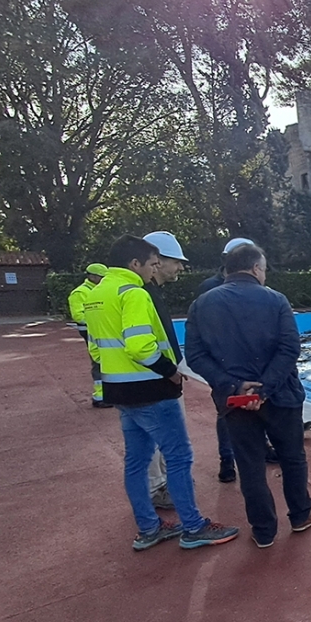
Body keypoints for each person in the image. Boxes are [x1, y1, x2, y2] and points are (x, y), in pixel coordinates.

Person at [83, 234, 240, 551]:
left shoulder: (96, 294)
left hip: (119, 390)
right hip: (152, 389)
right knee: (179, 457)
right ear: (135, 263)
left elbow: (97, 349)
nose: (154, 271)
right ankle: (194, 527)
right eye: (153, 264)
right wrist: (170, 372)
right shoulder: (134, 293)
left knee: (136, 462)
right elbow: (140, 346)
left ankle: (148, 527)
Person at [185, 242, 311, 548]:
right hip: (281, 396)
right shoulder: (275, 300)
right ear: (256, 268)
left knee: (249, 465)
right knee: (292, 457)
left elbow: (194, 356)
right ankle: (300, 515)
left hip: (234, 402)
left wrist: (234, 386)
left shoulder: (202, 304)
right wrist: (266, 387)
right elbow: (290, 348)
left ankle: (263, 531)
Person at [196, 237, 255, 481]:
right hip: (223, 366)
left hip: (249, 363)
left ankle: (258, 451)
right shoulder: (209, 289)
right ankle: (227, 460)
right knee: (226, 413)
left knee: (256, 406)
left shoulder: (254, 289)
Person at [141, 230, 191, 511]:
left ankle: (163, 482)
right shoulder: (141, 295)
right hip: (155, 378)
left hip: (161, 376)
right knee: (154, 436)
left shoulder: (151, 293)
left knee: (164, 435)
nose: (180, 268)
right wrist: (168, 370)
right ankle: (156, 487)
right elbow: (142, 344)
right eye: (176, 261)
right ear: (158, 260)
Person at [68, 263, 112, 408]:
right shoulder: (80, 292)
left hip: (100, 330)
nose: (103, 280)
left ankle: (107, 393)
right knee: (98, 361)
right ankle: (99, 397)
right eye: (101, 277)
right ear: (92, 276)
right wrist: (97, 321)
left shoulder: (98, 290)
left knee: (106, 360)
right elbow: (78, 315)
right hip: (91, 331)